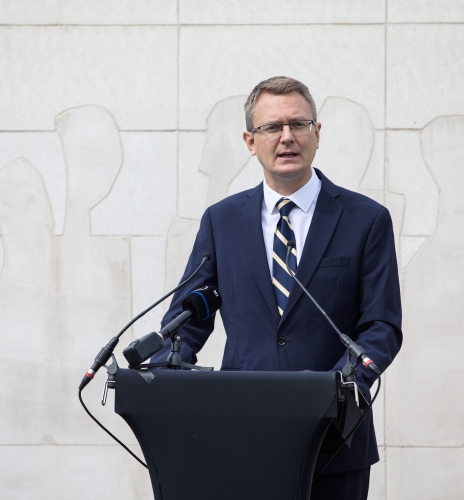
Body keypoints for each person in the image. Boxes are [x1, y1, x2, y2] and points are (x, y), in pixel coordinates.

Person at [151, 76, 402, 500]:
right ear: (250, 141)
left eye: (298, 124)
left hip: (336, 441)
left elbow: (382, 326)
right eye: (272, 127)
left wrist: (340, 389)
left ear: (317, 133)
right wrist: (161, 376)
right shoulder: (222, 221)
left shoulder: (366, 219)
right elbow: (188, 318)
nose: (287, 137)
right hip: (241, 433)